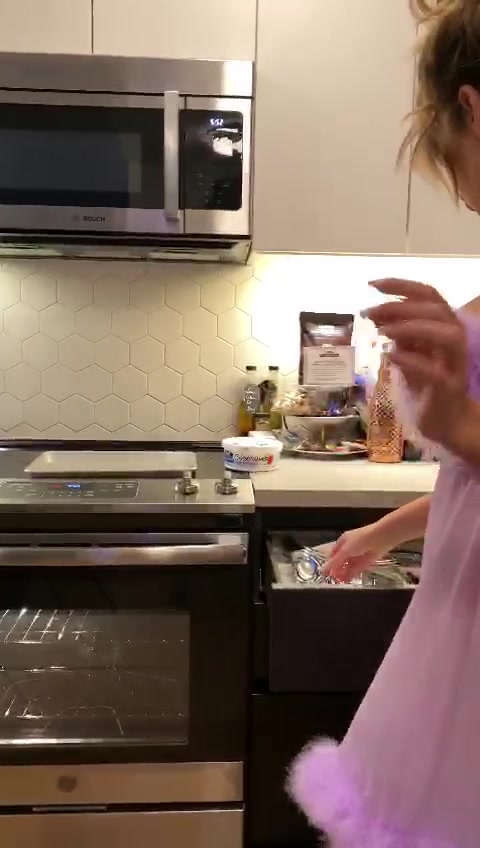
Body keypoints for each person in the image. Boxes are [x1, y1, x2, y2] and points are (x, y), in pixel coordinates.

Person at [288, 2, 480, 846]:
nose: (462, 193)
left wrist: (461, 425)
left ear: (473, 110)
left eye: (450, 161)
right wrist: (383, 530)